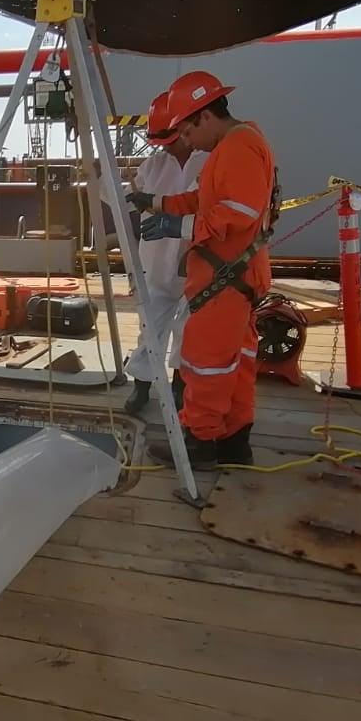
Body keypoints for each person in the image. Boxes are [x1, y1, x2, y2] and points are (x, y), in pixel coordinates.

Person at [126, 71, 279, 469]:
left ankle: (199, 443)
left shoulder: (239, 147)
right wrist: (159, 202)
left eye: (187, 133)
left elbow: (237, 213)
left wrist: (179, 227)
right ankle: (233, 439)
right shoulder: (237, 144)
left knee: (204, 361)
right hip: (237, 276)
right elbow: (206, 197)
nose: (188, 143)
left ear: (204, 117)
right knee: (237, 359)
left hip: (226, 277)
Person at [105, 90, 206, 415]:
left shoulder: (210, 160)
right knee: (151, 325)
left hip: (198, 259)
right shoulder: (153, 165)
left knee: (191, 329)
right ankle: (142, 386)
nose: (165, 146)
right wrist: (102, 180)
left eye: (170, 138)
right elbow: (129, 201)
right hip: (157, 259)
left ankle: (179, 387)